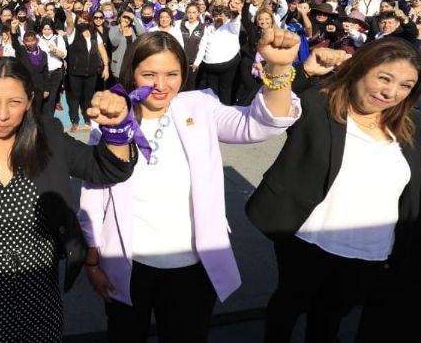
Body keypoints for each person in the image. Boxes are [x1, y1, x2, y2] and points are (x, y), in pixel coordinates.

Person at [78, 29, 301, 342]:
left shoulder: (200, 106)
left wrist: (278, 69)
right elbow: (94, 196)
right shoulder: (112, 120)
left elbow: (259, 125)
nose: (161, 85)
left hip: (192, 266)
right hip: (128, 262)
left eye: (172, 74)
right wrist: (92, 259)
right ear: (131, 72)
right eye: (149, 74)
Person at [0, 57, 139, 342]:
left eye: (14, 102)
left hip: (38, 296)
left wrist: (117, 130)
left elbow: (109, 168)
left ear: (30, 99)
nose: (2, 115)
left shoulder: (48, 137)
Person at [246, 38, 421, 343]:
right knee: (288, 306)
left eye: (405, 85)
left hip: (370, 249)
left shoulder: (411, 123)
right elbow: (267, 113)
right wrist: (303, 70)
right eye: (384, 78)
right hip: (309, 239)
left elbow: (409, 189)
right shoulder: (320, 103)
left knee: (329, 319)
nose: (391, 92)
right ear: (359, 69)